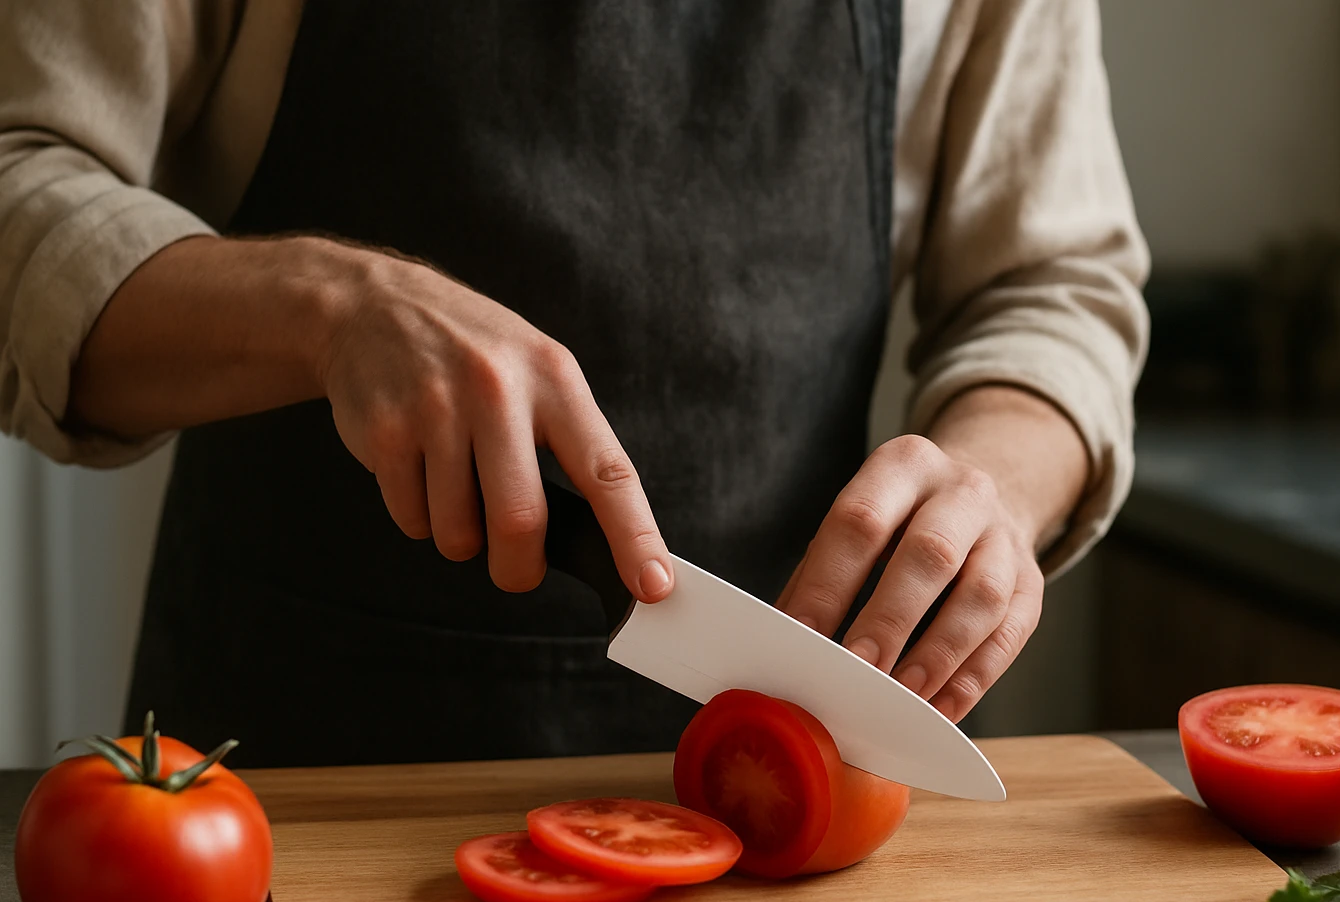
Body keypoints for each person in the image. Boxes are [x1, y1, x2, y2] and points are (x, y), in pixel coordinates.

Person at [0, 0, 1148, 768]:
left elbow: (1054, 281)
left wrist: (995, 480)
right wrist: (326, 307)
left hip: (815, 758)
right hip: (301, 761)